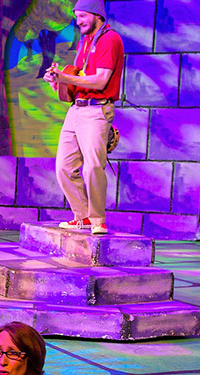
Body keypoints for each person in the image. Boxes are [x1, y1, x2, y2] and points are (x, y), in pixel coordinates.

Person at [44, 0, 124, 235]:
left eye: (82, 16)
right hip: (76, 109)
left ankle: (98, 219)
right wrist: (57, 79)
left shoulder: (109, 39)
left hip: (96, 110)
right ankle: (83, 217)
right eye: (76, 16)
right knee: (64, 167)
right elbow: (78, 77)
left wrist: (65, 78)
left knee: (92, 167)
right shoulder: (85, 40)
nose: (78, 21)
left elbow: (100, 80)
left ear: (96, 15)